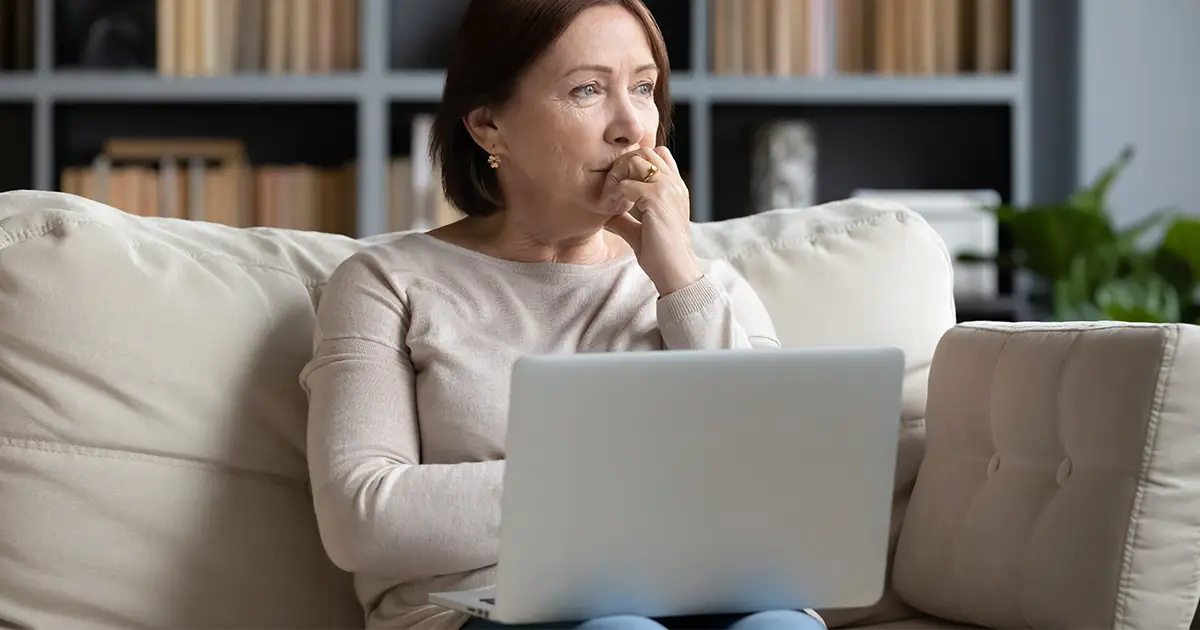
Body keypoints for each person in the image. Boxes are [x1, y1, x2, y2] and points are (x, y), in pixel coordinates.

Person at [300, 1, 825, 629]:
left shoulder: (700, 283)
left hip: (695, 594)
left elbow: (771, 491)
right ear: (489, 126)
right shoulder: (385, 284)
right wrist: (635, 484)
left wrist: (677, 278)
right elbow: (362, 519)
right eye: (588, 90)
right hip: (491, 610)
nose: (632, 127)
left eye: (643, 88)